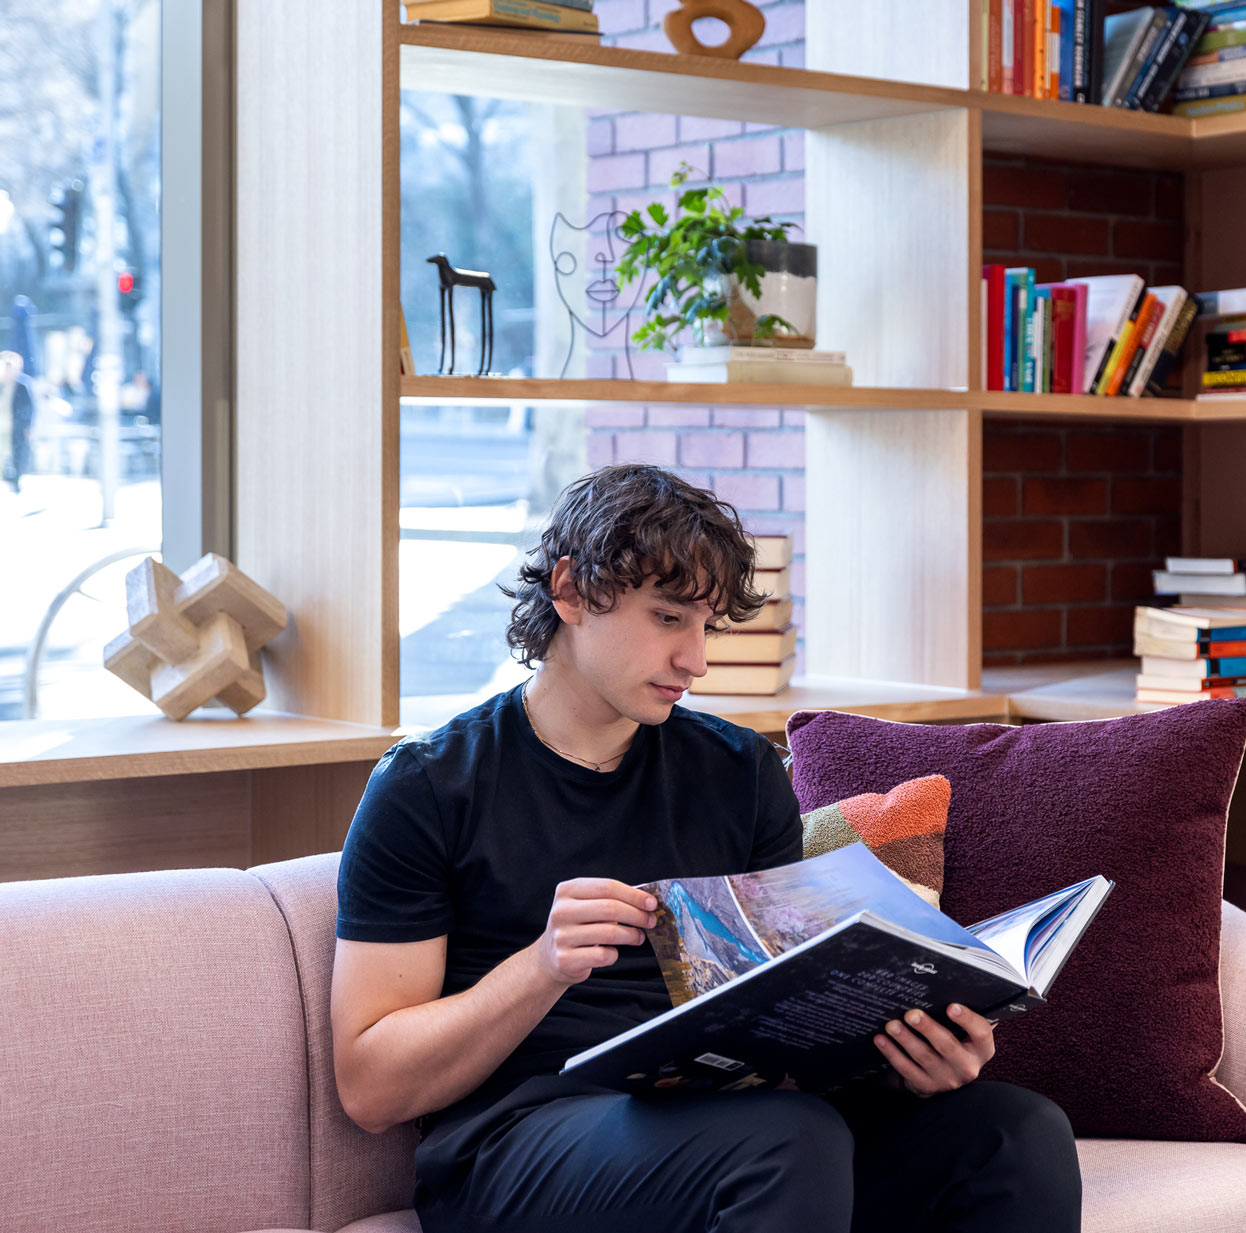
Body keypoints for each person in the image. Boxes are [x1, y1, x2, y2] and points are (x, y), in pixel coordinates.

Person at [331, 464, 1082, 1233]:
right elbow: (370, 1084)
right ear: (568, 590)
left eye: (707, 625)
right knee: (787, 1141)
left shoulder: (738, 772)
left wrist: (912, 1060)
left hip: (728, 1119)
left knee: (1016, 1133)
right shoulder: (428, 786)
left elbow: (789, 1009)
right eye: (667, 618)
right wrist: (540, 967)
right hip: (515, 1144)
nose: (697, 659)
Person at [0, 350, 36, 492]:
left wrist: (28, 426)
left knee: (17, 453)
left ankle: (15, 481)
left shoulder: (22, 386)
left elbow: (29, 408)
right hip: (2, 425)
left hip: (16, 426)